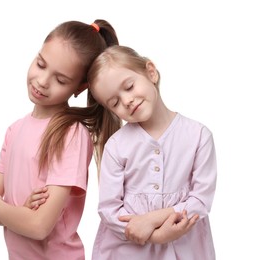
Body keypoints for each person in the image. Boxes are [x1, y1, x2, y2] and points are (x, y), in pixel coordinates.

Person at [0, 19, 121, 260]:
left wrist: (3, 208)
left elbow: (38, 227)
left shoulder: (71, 134)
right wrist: (18, 212)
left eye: (60, 80)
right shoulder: (14, 131)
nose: (42, 81)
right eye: (40, 64)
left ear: (80, 87)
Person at [86, 45, 217, 260]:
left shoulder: (198, 136)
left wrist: (154, 219)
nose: (126, 100)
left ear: (151, 72)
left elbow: (201, 200)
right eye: (115, 102)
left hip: (185, 249)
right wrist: (154, 236)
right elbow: (109, 209)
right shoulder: (116, 146)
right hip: (127, 251)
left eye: (129, 87)